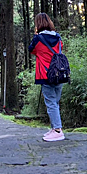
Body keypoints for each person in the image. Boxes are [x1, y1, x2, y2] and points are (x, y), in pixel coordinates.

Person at [29, 12, 65, 142]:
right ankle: (54, 128)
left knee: (50, 103)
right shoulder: (58, 37)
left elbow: (32, 50)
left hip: (45, 74)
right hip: (59, 73)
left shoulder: (38, 39)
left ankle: (57, 131)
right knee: (55, 102)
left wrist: (35, 35)